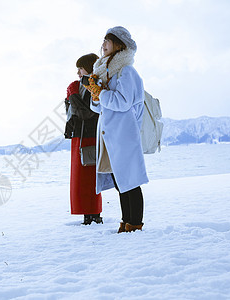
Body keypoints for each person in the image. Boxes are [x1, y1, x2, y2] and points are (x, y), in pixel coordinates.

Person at [84, 26, 148, 232]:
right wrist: (95, 96)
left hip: (124, 133)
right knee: (120, 178)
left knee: (130, 179)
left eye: (107, 41)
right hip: (110, 133)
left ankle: (134, 223)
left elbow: (122, 102)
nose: (102, 45)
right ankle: (126, 221)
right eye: (102, 41)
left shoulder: (126, 71)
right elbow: (100, 106)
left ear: (119, 44)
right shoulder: (106, 70)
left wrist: (100, 92)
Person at [64, 53, 102, 225]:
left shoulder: (95, 84)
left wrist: (72, 95)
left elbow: (86, 112)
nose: (78, 72)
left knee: (89, 178)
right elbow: (71, 113)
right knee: (79, 179)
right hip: (79, 136)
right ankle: (87, 214)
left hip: (90, 136)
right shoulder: (80, 85)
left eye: (80, 68)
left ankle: (94, 214)